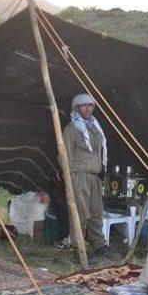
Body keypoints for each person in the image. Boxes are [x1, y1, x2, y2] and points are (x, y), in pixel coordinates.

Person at [62, 93, 120, 261]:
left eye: (91, 105)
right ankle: (78, 249)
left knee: (96, 212)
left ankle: (99, 245)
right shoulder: (71, 129)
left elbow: (99, 151)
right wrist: (71, 177)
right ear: (76, 108)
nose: (88, 109)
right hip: (78, 176)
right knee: (79, 213)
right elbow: (65, 155)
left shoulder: (94, 127)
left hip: (94, 176)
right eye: (84, 105)